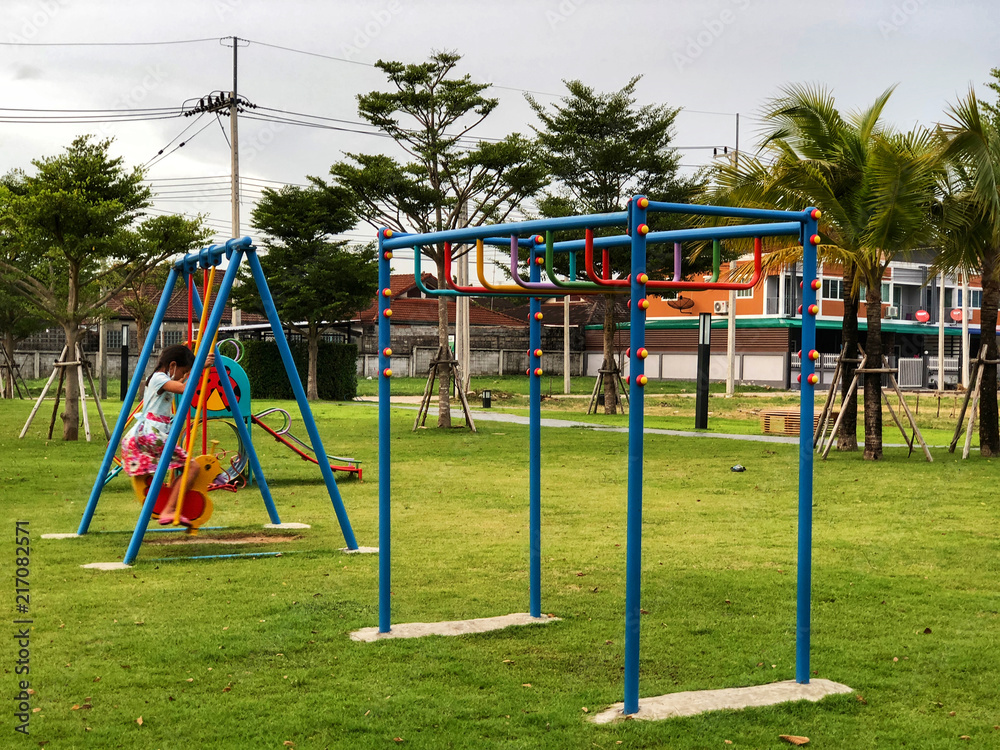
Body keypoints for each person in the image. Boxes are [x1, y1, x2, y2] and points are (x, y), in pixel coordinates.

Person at [119, 344, 212, 525]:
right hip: (152, 433)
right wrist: (200, 367)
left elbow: (182, 385)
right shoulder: (158, 378)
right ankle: (169, 510)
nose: (183, 377)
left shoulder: (158, 378)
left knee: (185, 467)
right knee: (192, 467)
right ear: (172, 366)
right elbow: (184, 388)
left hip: (152, 432)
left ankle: (169, 506)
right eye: (183, 372)